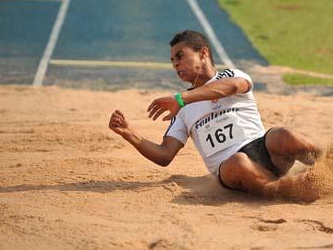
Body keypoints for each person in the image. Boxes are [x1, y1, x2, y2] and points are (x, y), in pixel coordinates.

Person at [108, 30, 322, 197]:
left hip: (264, 149)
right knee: (239, 162)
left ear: (203, 53)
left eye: (180, 56)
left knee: (284, 135)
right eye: (173, 61)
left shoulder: (231, 75)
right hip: (229, 167)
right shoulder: (181, 109)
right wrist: (128, 133)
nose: (175, 64)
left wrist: (182, 99)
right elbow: (165, 155)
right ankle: (283, 191)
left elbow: (231, 87)